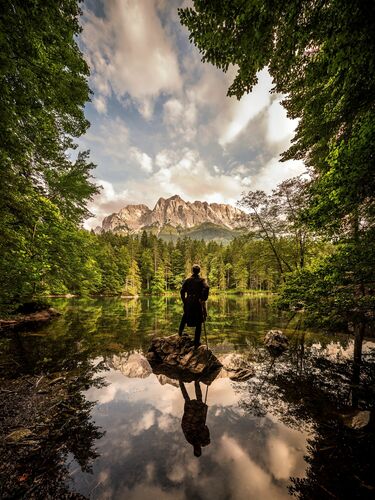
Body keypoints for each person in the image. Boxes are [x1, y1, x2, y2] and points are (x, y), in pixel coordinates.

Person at [178, 264, 209, 347]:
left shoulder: (187, 280)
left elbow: (182, 291)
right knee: (199, 321)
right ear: (199, 271)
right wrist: (203, 298)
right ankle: (196, 342)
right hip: (197, 302)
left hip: (188, 301)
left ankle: (179, 333)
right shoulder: (202, 280)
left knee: (185, 316)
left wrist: (185, 301)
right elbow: (206, 288)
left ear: (192, 271)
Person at [179, 380, 210, 457]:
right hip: (198, 419)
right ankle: (196, 382)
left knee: (188, 400)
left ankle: (180, 382)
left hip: (190, 420)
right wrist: (205, 435)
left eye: (196, 450)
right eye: (198, 450)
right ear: (200, 450)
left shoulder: (191, 440)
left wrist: (199, 427)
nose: (197, 449)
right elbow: (206, 428)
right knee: (199, 400)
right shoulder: (203, 441)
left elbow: (185, 427)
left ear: (194, 450)